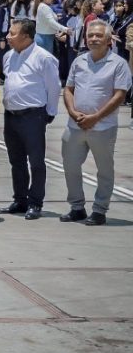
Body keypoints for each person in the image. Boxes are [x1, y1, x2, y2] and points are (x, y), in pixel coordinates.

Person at [60, 21, 131, 226]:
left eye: (98, 36)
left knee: (104, 170)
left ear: (109, 40)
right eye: (90, 35)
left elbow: (119, 95)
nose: (93, 39)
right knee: (70, 167)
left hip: (103, 127)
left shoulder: (118, 64)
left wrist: (96, 117)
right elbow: (68, 89)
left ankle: (100, 209)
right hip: (75, 125)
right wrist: (73, 112)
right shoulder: (79, 61)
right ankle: (77, 207)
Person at [0, 17, 61, 220]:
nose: (8, 36)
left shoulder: (43, 58)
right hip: (11, 116)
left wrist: (50, 113)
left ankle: (35, 202)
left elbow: (54, 87)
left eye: (13, 33)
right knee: (16, 161)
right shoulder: (8, 56)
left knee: (36, 161)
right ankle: (20, 200)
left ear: (26, 36)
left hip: (32, 116)